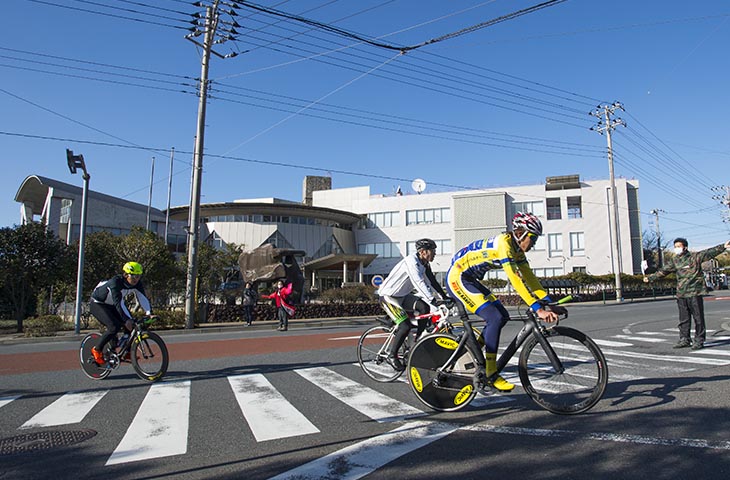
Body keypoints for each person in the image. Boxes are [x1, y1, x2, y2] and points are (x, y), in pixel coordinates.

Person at [447, 212, 564, 392]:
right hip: (458, 277)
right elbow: (515, 280)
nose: (533, 243)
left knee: (502, 316)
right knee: (494, 318)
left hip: (470, 278)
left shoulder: (517, 250)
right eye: (532, 238)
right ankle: (491, 373)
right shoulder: (504, 244)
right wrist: (537, 309)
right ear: (520, 233)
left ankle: (472, 350)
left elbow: (529, 278)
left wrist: (548, 302)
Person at [377, 238, 454, 371]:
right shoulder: (411, 262)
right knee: (404, 326)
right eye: (433, 251)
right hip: (388, 296)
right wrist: (433, 300)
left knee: (424, 307)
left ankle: (418, 339)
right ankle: (391, 355)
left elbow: (432, 282)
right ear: (423, 252)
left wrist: (444, 296)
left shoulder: (425, 264)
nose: (435, 254)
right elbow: (419, 282)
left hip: (403, 296)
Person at [644, 238, 730, 350]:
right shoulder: (674, 261)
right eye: (675, 247)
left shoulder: (695, 257)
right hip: (681, 294)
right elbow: (663, 271)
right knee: (684, 319)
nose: (677, 249)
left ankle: (699, 340)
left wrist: (723, 246)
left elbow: (709, 252)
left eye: (679, 246)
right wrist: (650, 278)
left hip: (694, 292)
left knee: (698, 318)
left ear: (685, 247)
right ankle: (684, 339)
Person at [89, 261, 152, 366]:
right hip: (99, 304)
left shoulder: (137, 283)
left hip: (114, 304)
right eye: (134, 276)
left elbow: (142, 298)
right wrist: (126, 319)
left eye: (139, 276)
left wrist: (149, 313)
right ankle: (97, 350)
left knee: (132, 326)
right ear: (126, 275)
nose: (136, 279)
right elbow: (118, 303)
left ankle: (127, 352)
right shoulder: (115, 282)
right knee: (114, 327)